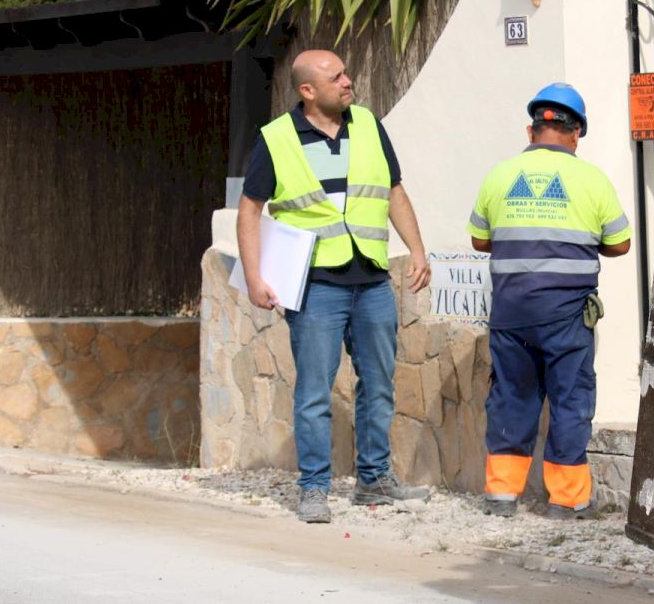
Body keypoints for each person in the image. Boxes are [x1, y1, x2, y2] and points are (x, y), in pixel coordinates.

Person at [238, 49, 431, 523]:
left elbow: (394, 191)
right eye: (336, 77)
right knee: (314, 393)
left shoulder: (368, 125)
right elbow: (250, 209)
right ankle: (313, 488)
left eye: (346, 73)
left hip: (372, 280)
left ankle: (374, 480)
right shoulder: (276, 138)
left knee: (379, 385)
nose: (348, 81)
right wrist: (254, 275)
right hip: (315, 285)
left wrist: (417, 249)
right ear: (308, 90)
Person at [467, 83, 631, 520]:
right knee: (570, 400)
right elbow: (620, 244)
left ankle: (502, 494)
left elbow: (480, 239)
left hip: (511, 313)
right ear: (576, 134)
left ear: (531, 130)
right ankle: (567, 500)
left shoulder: (499, 176)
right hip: (566, 317)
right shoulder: (592, 180)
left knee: (511, 397)